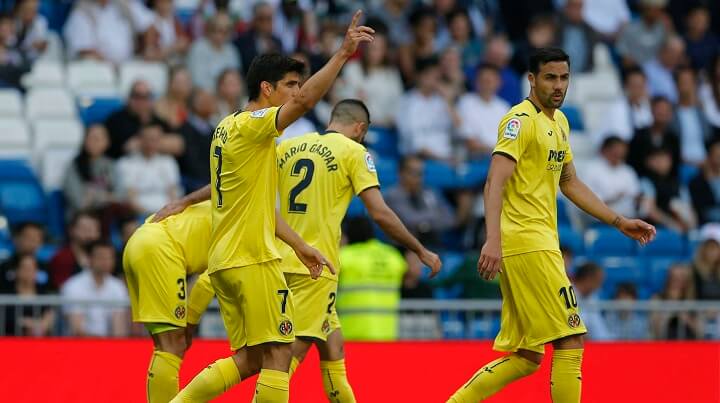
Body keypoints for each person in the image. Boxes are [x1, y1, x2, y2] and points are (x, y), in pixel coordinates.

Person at [169, 11, 373, 402]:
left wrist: (299, 244)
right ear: (266, 88)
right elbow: (309, 101)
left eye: (298, 84)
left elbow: (256, 205)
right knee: (280, 352)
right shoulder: (252, 125)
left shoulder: (226, 129)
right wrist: (342, 54)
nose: (296, 93)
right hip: (252, 260)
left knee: (250, 360)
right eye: (290, 86)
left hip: (227, 260)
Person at [447, 48, 656, 403]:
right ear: (532, 79)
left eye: (564, 78)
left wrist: (618, 221)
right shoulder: (519, 120)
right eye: (550, 77)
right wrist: (492, 239)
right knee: (571, 338)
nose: (559, 86)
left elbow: (569, 181)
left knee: (528, 357)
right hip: (528, 242)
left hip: (539, 242)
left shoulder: (560, 123)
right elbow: (494, 182)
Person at [275, 99, 441, 400]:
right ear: (360, 128)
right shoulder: (355, 152)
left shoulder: (289, 146)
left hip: (282, 256)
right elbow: (379, 213)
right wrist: (420, 250)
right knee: (286, 358)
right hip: (315, 266)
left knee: (333, 345)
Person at [123, 201, 217, 402]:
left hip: (139, 242)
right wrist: (190, 324)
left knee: (164, 346)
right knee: (173, 345)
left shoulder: (227, 200)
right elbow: (209, 281)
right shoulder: (247, 222)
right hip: (162, 250)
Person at [337, 216, 409, 341]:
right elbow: (408, 276)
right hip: (387, 333)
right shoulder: (393, 256)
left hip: (353, 333)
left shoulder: (345, 256)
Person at [61, 240, 129, 337]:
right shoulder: (73, 286)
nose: (106, 261)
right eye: (101, 257)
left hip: (110, 346)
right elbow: (76, 329)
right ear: (89, 259)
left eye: (109, 258)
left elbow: (119, 328)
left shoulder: (118, 286)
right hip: (79, 345)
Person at [115, 124, 181, 216]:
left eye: (155, 139)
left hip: (167, 213)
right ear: (139, 139)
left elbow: (173, 192)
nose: (151, 143)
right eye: (148, 139)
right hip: (138, 214)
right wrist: (151, 216)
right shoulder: (126, 163)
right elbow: (130, 198)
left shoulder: (169, 162)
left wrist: (168, 213)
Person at [456, 63, 511, 158]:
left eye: (489, 81)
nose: (486, 85)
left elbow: (510, 141)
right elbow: (470, 143)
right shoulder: (465, 102)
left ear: (499, 83)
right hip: (474, 159)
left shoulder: (504, 107)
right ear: (476, 82)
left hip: (499, 158)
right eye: (483, 81)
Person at [62, 125, 116, 219]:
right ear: (85, 141)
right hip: (81, 215)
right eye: (92, 138)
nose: (95, 142)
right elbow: (78, 202)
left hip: (108, 212)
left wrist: (95, 196)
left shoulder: (111, 165)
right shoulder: (74, 166)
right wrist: (106, 197)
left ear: (107, 142)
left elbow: (121, 195)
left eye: (99, 139)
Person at [582, 136, 640, 220]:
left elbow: (636, 197)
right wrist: (615, 197)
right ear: (604, 150)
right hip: (600, 221)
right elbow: (585, 200)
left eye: (621, 154)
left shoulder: (628, 171)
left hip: (629, 220)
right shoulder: (591, 169)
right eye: (615, 153)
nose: (619, 156)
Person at [1, 254, 55, 336]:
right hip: (11, 341)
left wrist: (28, 323)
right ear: (17, 270)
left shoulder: (44, 294)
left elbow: (48, 321)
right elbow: (7, 320)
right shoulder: (7, 295)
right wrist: (36, 324)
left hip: (40, 343)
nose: (29, 271)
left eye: (33, 268)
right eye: (25, 268)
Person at [186, 12, 240, 91]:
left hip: (228, 93)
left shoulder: (231, 50)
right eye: (216, 30)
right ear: (208, 30)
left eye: (225, 31)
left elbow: (236, 77)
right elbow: (197, 81)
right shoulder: (198, 48)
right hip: (205, 94)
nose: (220, 35)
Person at [48, 211, 101, 289]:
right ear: (71, 230)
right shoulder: (62, 258)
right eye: (84, 228)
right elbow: (62, 290)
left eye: (93, 229)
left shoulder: (106, 257)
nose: (89, 233)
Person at [178, 88, 217, 192]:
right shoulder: (185, 130)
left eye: (211, 100)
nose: (210, 104)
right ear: (194, 104)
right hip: (194, 185)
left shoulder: (214, 130)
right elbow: (191, 163)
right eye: (205, 100)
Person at [571, 262, 613, 340]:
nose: (599, 286)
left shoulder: (593, 297)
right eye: (598, 281)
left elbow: (598, 326)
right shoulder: (568, 295)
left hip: (598, 344)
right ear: (588, 279)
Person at [689, 138, 720, 225]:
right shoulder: (697, 182)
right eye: (717, 155)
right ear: (709, 156)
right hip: (708, 224)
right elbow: (699, 209)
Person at [154, 66, 192, 131]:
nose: (185, 85)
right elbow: (175, 126)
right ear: (170, 83)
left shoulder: (192, 103)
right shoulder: (162, 105)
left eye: (187, 81)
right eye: (180, 82)